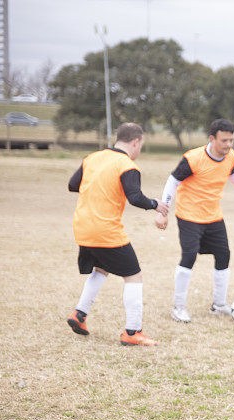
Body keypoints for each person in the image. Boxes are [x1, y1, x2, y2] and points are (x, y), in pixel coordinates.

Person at [66, 122, 168, 346]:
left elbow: (73, 185)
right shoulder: (126, 164)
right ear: (135, 141)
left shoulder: (93, 157)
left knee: (102, 268)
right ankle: (133, 333)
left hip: (83, 226)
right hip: (105, 230)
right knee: (133, 275)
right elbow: (135, 197)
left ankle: (79, 315)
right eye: (141, 145)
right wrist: (155, 204)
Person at [155, 118, 234, 322]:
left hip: (213, 216)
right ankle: (178, 307)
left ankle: (219, 305)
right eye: (224, 140)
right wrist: (163, 211)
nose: (229, 145)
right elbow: (173, 181)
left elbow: (233, 173)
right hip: (189, 216)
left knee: (223, 255)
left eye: (231, 140)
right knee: (189, 257)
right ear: (212, 138)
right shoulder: (193, 158)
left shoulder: (230, 156)